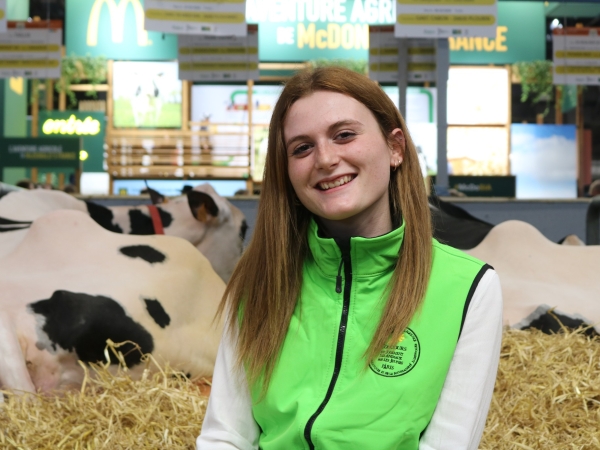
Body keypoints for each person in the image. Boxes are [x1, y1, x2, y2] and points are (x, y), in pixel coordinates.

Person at [197, 66, 503, 450]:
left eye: (344, 135)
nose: (324, 159)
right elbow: (226, 436)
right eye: (302, 148)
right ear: (287, 172)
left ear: (395, 148)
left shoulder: (469, 289)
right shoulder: (259, 280)